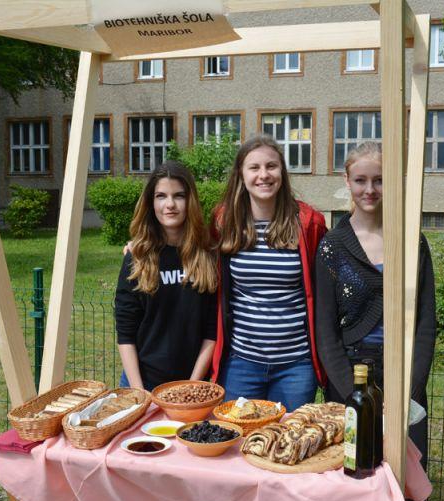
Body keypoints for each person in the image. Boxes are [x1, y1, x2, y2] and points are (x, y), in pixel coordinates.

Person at [314, 142, 436, 501]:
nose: (370, 189)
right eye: (362, 180)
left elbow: (426, 324)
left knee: (407, 484)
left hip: (402, 379)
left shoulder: (411, 242)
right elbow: (326, 332)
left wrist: (411, 389)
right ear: (346, 181)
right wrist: (354, 395)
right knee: (354, 479)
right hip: (352, 380)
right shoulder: (333, 247)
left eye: (380, 180)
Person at [211, 135, 328, 412]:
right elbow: (192, 254)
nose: (264, 175)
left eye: (271, 166)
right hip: (241, 363)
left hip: (296, 366)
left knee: (290, 444)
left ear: (282, 172)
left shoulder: (308, 223)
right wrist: (142, 247)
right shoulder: (224, 221)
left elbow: (327, 278)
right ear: (241, 173)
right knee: (237, 441)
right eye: (254, 168)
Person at [114, 161, 217, 391]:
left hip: (193, 385)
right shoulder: (137, 258)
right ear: (151, 203)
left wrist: (192, 386)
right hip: (142, 383)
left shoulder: (207, 256)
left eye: (178, 196)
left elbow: (212, 331)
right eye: (161, 196)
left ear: (190, 201)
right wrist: (139, 392)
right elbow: (125, 331)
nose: (170, 204)